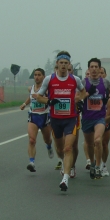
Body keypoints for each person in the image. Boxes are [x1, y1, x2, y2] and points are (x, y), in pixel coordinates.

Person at [37, 51, 87, 192]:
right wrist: (50, 101)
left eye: (66, 63)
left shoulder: (75, 79)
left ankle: (65, 178)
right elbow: (39, 97)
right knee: (60, 149)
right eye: (61, 63)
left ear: (69, 64)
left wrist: (78, 99)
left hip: (70, 119)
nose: (64, 65)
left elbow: (83, 92)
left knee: (68, 148)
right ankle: (65, 163)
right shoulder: (49, 79)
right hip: (55, 119)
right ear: (57, 64)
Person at [81, 58, 110, 179]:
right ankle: (93, 163)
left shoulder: (105, 82)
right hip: (87, 117)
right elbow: (77, 97)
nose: (94, 69)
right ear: (89, 69)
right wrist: (87, 94)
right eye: (92, 67)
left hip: (100, 117)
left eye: (96, 67)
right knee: (89, 144)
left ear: (100, 69)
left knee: (98, 140)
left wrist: (107, 100)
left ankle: (99, 166)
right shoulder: (83, 83)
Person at [20, 68, 53, 173]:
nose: (37, 77)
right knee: (32, 140)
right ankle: (32, 162)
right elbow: (31, 97)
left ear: (43, 76)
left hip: (45, 116)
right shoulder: (31, 88)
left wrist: (44, 98)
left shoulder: (47, 89)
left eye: (39, 75)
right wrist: (25, 104)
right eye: (35, 75)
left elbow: (50, 100)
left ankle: (49, 146)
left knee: (47, 139)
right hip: (33, 116)